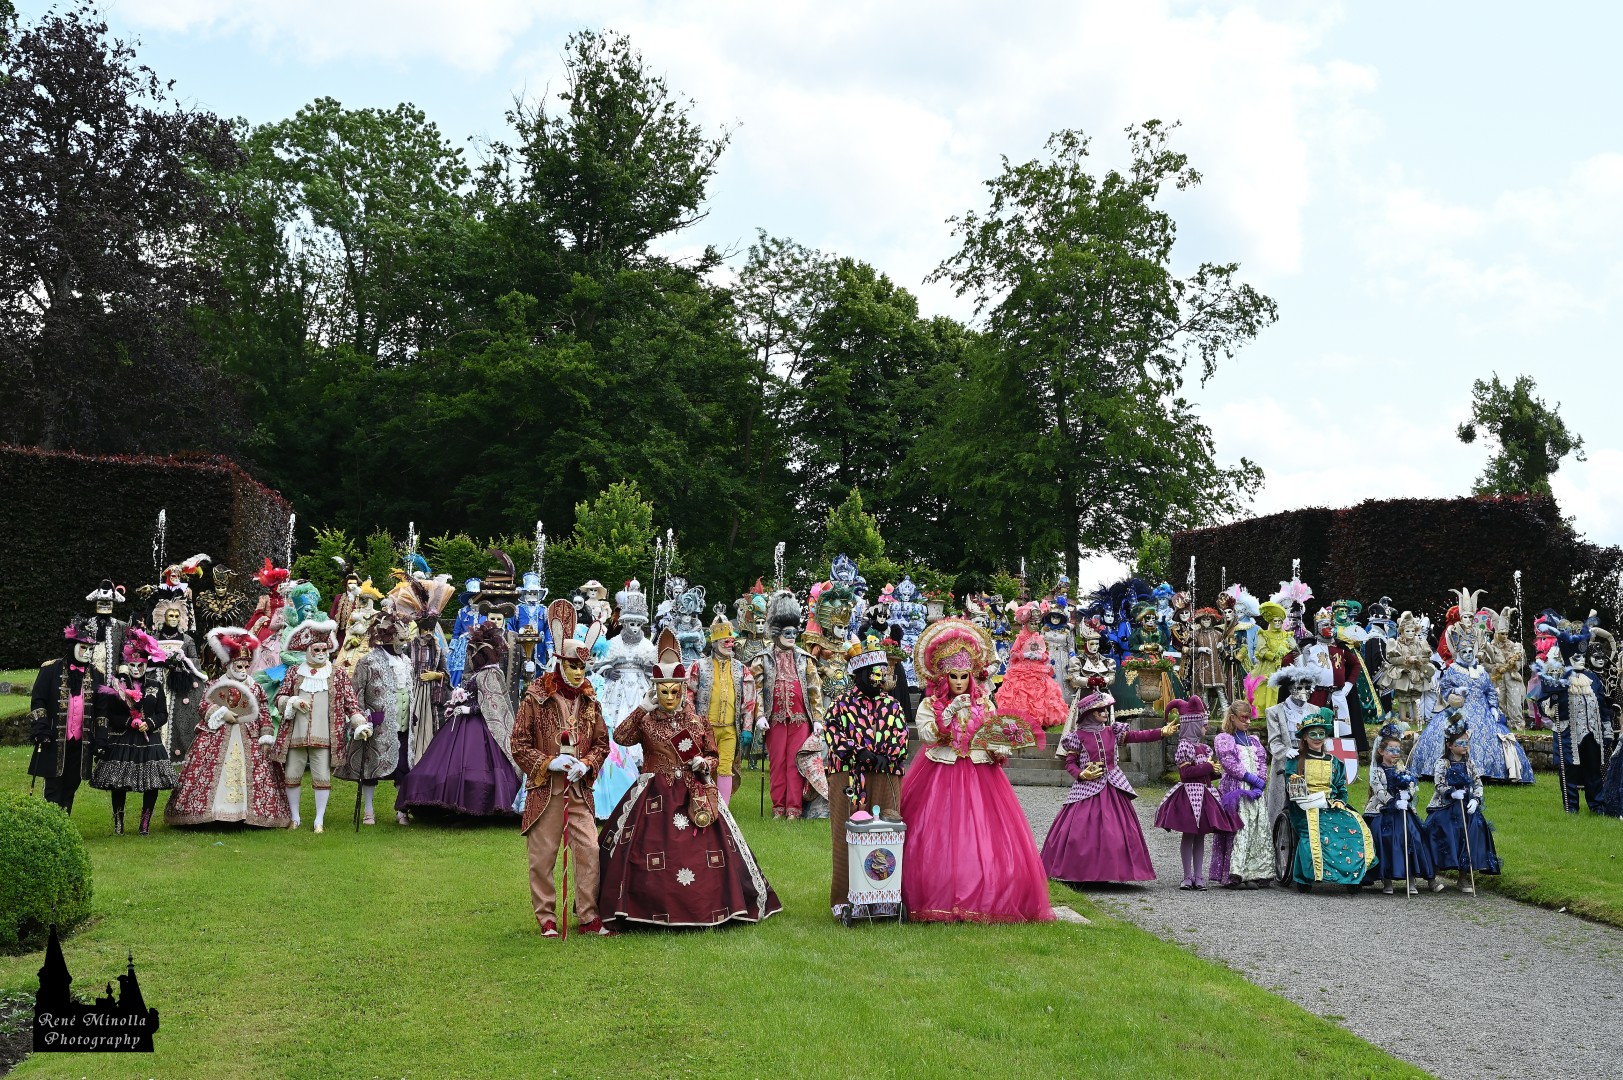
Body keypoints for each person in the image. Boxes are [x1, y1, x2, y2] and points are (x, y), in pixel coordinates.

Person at [597, 629, 782, 929]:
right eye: (663, 691)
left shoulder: (698, 722)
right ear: (655, 691)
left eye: (675, 691)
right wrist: (641, 709)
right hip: (652, 793)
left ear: (683, 690)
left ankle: (706, 906)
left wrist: (703, 762)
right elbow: (620, 736)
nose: (669, 698)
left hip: (692, 794)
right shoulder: (644, 720)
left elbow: (712, 755)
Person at [901, 618, 1052, 922]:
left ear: (972, 675)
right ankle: (938, 892)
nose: (959, 682)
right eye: (953, 677)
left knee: (986, 833)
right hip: (940, 770)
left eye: (964, 676)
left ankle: (989, 894)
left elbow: (993, 730)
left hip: (980, 771)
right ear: (944, 677)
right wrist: (949, 715)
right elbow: (928, 735)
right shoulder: (932, 703)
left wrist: (999, 746)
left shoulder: (984, 700)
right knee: (936, 833)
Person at [510, 600, 614, 938]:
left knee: (589, 850)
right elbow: (518, 743)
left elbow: (602, 744)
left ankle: (588, 917)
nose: (579, 672)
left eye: (583, 665)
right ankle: (547, 918)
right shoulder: (535, 696)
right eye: (573, 665)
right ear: (559, 663)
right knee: (542, 857)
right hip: (545, 792)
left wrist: (585, 765)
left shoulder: (590, 700)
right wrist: (548, 762)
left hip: (578, 791)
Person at [1041, 688, 1174, 885]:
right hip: (1087, 788)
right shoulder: (1077, 737)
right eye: (1100, 710)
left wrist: (1161, 732)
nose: (1105, 713)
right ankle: (1080, 872)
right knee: (1080, 831)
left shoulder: (1113, 731)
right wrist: (1082, 774)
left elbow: (1137, 736)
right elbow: (1069, 763)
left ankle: (1112, 872)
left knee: (1117, 832)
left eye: (1105, 710)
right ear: (1089, 713)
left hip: (1113, 784)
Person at [164, 627, 291, 828]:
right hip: (218, 734)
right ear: (228, 665)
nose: (242, 671)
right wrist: (222, 712)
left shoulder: (255, 687)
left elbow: (264, 711)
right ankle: (214, 813)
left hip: (250, 737)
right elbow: (203, 704)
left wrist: (266, 735)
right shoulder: (215, 684)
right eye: (238, 666)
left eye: (246, 666)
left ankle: (246, 815)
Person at [398, 620, 522, 818]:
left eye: (473, 653)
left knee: (475, 767)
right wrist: (455, 705)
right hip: (460, 725)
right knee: (443, 764)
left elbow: (490, 705)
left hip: (480, 729)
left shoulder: (490, 674)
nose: (470, 656)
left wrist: (468, 709)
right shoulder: (478, 673)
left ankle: (474, 805)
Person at [1409, 589, 1533, 783]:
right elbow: (1445, 688)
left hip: (1482, 710)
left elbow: (1490, 690)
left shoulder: (1481, 671)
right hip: (1458, 709)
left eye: (1470, 651)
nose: (1467, 654)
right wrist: (1455, 693)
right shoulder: (1453, 670)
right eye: (1464, 651)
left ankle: (1490, 772)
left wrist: (1493, 707)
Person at [824, 637, 909, 918]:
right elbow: (833, 734)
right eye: (871, 674)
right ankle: (845, 900)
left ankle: (882, 896)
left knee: (886, 827)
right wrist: (859, 753)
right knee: (845, 835)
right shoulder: (840, 704)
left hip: (886, 775)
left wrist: (887, 756)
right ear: (858, 675)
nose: (877, 679)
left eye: (880, 674)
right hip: (848, 776)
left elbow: (901, 737)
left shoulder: (892, 704)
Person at [272, 618, 365, 833]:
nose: (321, 652)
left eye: (324, 648)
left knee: (322, 778)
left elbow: (351, 703)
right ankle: (295, 818)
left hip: (325, 736)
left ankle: (319, 820)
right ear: (307, 650)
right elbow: (280, 698)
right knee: (292, 776)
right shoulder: (295, 672)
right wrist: (292, 702)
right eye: (317, 648)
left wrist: (359, 721)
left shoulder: (338, 674)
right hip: (295, 734)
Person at [89, 629, 178, 835]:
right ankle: (118, 823)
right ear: (127, 665)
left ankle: (144, 824)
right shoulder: (117, 687)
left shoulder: (156, 685)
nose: (136, 669)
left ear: (147, 665)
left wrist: (149, 722)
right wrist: (130, 721)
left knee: (152, 782)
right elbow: (109, 714)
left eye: (141, 665)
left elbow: (163, 714)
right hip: (124, 739)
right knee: (118, 783)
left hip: (150, 740)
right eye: (132, 665)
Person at [1281, 708, 1376, 893]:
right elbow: (1293, 788)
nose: (1317, 737)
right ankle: (1307, 876)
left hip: (1332, 804)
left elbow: (1341, 788)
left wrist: (1340, 800)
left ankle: (1351, 876)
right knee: (1314, 832)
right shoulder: (1296, 761)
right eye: (1312, 734)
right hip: (1304, 806)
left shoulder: (1335, 762)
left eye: (1321, 734)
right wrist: (1307, 799)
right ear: (1305, 737)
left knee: (1354, 827)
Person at [1152, 697, 1240, 890]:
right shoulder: (1185, 747)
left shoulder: (1204, 747)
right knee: (1189, 835)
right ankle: (1186, 876)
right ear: (1192, 725)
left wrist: (1214, 772)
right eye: (1203, 725)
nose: (1206, 729)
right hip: (1189, 796)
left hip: (1205, 795)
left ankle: (1199, 877)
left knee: (1200, 837)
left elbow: (1205, 773)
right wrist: (1207, 766)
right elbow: (1186, 774)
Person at [751, 590, 823, 820]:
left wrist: (819, 719)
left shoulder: (805, 659)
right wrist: (759, 715)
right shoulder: (763, 659)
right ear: (777, 633)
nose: (792, 636)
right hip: (775, 720)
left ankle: (793, 808)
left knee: (795, 764)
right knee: (777, 763)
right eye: (788, 632)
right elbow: (756, 689)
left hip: (801, 721)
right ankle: (778, 807)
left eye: (795, 632)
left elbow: (815, 690)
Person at [1528, 624, 1612, 813]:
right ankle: (1571, 806)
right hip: (1569, 732)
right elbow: (1542, 702)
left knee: (1594, 769)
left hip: (1593, 732)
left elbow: (1603, 706)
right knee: (1569, 770)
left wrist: (1606, 729)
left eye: (1582, 657)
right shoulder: (1558, 678)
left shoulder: (1593, 678)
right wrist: (1552, 702)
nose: (1581, 661)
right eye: (1576, 657)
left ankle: (1597, 805)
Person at [29, 618, 107, 813]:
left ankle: (64, 821)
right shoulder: (50, 669)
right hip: (54, 739)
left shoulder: (97, 675)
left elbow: (101, 711)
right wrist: (41, 728)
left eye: (91, 649)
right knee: (54, 783)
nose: (87, 653)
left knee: (72, 783)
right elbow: (38, 701)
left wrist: (101, 740)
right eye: (83, 648)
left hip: (82, 742)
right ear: (72, 646)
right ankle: (51, 824)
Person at [340, 612, 412, 825]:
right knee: (371, 767)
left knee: (403, 767)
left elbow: (410, 689)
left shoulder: (406, 661)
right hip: (377, 724)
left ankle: (401, 810)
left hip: (404, 723)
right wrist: (362, 719)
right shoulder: (368, 661)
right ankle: (369, 810)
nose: (404, 642)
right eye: (400, 637)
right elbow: (356, 694)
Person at [593, 581, 656, 818]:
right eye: (630, 623)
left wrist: (647, 668)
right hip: (616, 692)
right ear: (622, 622)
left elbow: (655, 673)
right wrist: (608, 670)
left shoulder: (648, 645)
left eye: (637, 624)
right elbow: (599, 665)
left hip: (640, 692)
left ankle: (642, 790)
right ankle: (618, 788)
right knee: (616, 732)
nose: (633, 628)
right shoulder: (614, 643)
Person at [1424, 718, 1502, 892]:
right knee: (1439, 831)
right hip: (1446, 805)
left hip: (1466, 805)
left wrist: (1476, 799)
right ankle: (1432, 876)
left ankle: (1463, 877)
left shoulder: (1469, 763)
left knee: (1474, 831)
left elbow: (1478, 783)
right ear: (1450, 745)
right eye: (1461, 742)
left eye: (1467, 742)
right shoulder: (1442, 763)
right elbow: (1439, 784)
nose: (1465, 745)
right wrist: (1451, 792)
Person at [690, 612, 755, 804]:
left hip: (729, 729)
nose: (729, 645)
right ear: (715, 642)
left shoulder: (741, 669)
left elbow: (749, 700)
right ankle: (703, 805)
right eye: (724, 641)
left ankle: (722, 810)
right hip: (705, 729)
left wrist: (747, 728)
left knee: (726, 767)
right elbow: (688, 696)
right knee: (704, 766)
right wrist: (692, 722)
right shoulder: (699, 666)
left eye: (731, 641)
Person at [1363, 724, 1433, 894]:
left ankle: (1411, 879)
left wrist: (1406, 795)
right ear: (1381, 751)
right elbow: (1378, 789)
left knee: (1412, 837)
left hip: (1403, 809)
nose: (1395, 754)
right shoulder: (1377, 771)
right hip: (1383, 809)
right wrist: (1392, 802)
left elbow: (1411, 785)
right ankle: (1387, 880)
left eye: (1397, 750)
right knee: (1384, 838)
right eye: (1391, 750)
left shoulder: (1402, 768)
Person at [1209, 700, 1272, 889]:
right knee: (1238, 829)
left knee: (1255, 828)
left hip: (1254, 791)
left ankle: (1253, 872)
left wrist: (1261, 783)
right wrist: (1250, 778)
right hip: (1236, 788)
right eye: (1244, 718)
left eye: (1249, 718)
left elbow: (1262, 762)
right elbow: (1229, 763)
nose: (1248, 722)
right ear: (1233, 718)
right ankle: (1233, 873)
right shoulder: (1224, 739)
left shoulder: (1253, 740)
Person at [1263, 663, 1323, 826]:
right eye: (1299, 686)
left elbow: (1319, 737)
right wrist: (1286, 751)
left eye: (1307, 686)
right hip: (1285, 766)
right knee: (1284, 807)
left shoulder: (1315, 710)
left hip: (1309, 764)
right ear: (1291, 688)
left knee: (1308, 805)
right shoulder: (1275, 712)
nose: (1304, 691)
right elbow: (1274, 742)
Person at [995, 605, 1068, 739]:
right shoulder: (1021, 638)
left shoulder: (1040, 637)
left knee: (1041, 694)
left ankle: (1042, 720)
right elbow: (1013, 654)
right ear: (1026, 623)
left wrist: (1040, 656)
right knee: (1022, 694)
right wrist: (1025, 654)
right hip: (1022, 670)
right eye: (1032, 623)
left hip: (1039, 670)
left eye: (1036, 624)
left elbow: (1046, 655)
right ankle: (1022, 719)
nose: (1034, 626)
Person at [149, 594, 206, 762]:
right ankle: (154, 751)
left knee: (180, 718)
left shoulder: (187, 639)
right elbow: (147, 657)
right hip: (157, 678)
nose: (173, 619)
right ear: (163, 617)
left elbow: (195, 661)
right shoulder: (154, 638)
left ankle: (176, 752)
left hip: (179, 684)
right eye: (170, 616)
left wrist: (182, 663)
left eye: (176, 616)